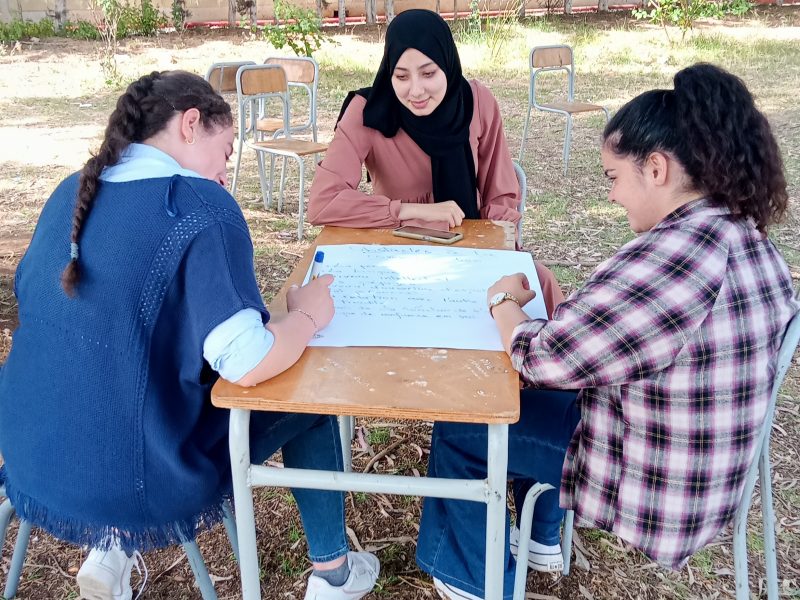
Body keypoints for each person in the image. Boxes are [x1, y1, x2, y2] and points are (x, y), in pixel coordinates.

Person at [416, 63, 800, 599]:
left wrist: (502, 301)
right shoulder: (736, 228)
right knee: (541, 402)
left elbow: (543, 358)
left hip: (662, 480)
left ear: (658, 168)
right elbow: (603, 342)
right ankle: (542, 539)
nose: (614, 196)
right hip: (708, 460)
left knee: (461, 429)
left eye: (614, 178)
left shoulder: (674, 258)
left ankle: (477, 583)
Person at [0, 71, 379, 600]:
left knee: (121, 370)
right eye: (225, 152)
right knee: (306, 397)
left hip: (29, 458)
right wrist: (308, 317)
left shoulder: (70, 191)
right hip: (144, 480)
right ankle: (334, 575)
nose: (226, 171)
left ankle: (111, 548)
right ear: (191, 124)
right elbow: (247, 361)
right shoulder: (198, 206)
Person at [308, 9, 564, 316]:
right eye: (401, 76)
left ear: (447, 64)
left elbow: (500, 191)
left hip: (473, 243)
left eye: (428, 74)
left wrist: (495, 249)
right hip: (398, 250)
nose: (415, 91)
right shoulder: (369, 112)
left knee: (542, 284)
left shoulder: (477, 101)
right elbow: (324, 202)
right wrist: (411, 210)